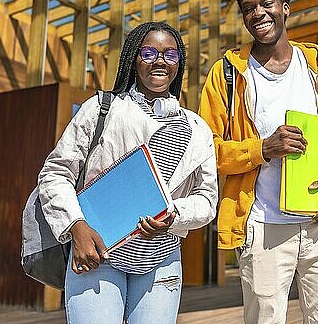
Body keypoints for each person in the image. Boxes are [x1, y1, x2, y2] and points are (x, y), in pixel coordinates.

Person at [199, 0, 318, 324]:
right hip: (263, 226)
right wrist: (262, 149)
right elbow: (205, 152)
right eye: (248, 7)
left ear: (285, 8)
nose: (258, 13)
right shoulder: (227, 73)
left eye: (266, 3)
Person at [36, 21, 218, 324]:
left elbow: (207, 199)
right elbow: (55, 173)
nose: (160, 61)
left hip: (162, 259)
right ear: (133, 58)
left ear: (179, 64)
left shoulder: (196, 127)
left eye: (170, 55)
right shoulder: (100, 109)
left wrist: (173, 214)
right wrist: (76, 227)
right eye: (149, 53)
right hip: (98, 252)